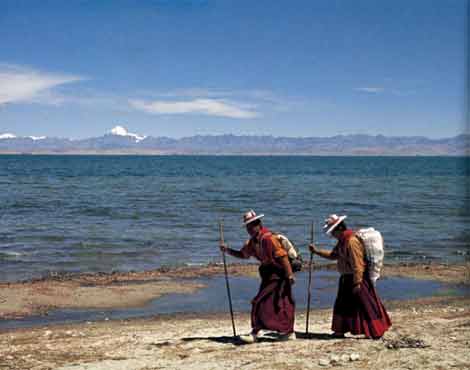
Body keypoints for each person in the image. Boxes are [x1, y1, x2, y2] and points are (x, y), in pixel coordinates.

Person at [309, 214, 391, 339]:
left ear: (340, 229)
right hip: (346, 278)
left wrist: (357, 282)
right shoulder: (342, 241)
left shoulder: (351, 241)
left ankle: (376, 330)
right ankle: (340, 330)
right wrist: (316, 251)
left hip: (356, 278)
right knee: (343, 305)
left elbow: (358, 263)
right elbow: (333, 255)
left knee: (365, 304)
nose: (332, 235)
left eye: (333, 232)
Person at [220, 210, 296, 343]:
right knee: (277, 303)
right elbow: (243, 255)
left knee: (261, 302)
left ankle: (256, 332)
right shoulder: (253, 242)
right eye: (248, 226)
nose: (250, 229)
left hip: (278, 273)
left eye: (252, 225)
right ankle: (288, 332)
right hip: (268, 274)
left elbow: (283, 257)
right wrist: (227, 250)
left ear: (259, 224)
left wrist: (290, 275)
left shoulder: (268, 238)